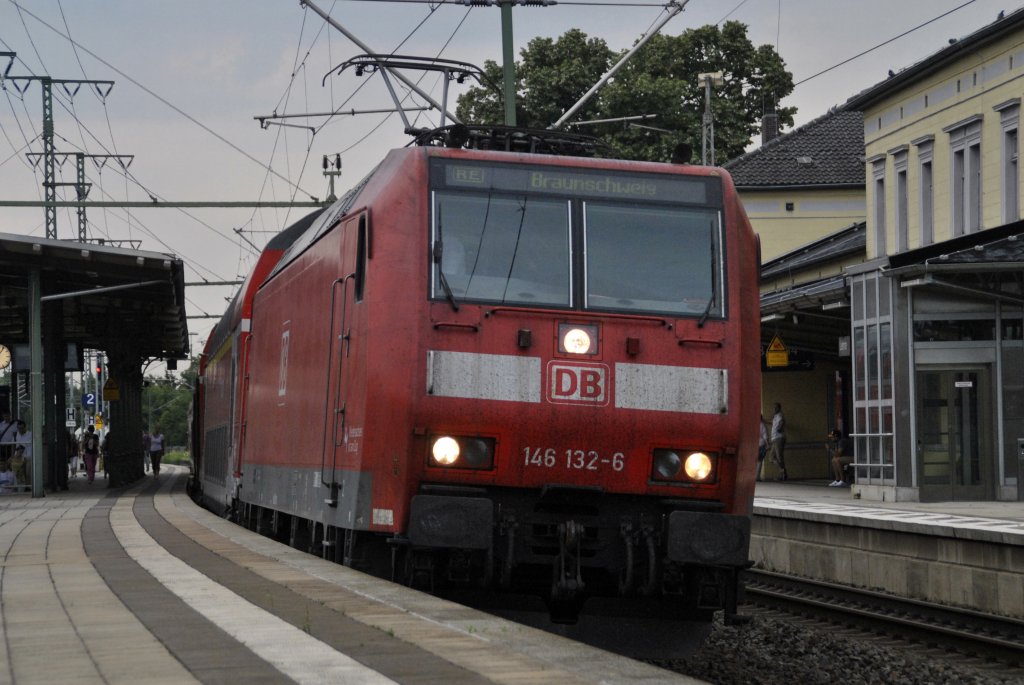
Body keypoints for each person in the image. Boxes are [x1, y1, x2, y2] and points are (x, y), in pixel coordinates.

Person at [766, 402, 787, 481]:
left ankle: (783, 475)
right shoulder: (775, 416)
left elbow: (782, 421)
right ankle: (782, 471)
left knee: (779, 457)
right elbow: (771, 422)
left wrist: (779, 428)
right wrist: (763, 420)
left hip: (779, 438)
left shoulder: (780, 415)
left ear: (779, 408)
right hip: (774, 439)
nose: (774, 409)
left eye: (776, 407)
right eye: (773, 407)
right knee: (771, 457)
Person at [756, 414, 769, 482]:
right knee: (759, 461)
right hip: (761, 445)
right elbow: (765, 436)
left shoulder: (753, 425)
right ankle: (757, 477)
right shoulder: (762, 425)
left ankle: (753, 476)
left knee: (754, 461)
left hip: (754, 445)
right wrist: (767, 444)